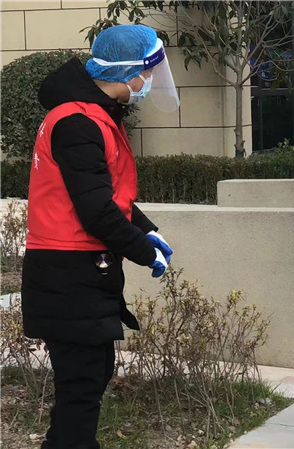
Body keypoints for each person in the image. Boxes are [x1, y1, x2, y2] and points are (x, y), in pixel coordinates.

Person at [22, 24, 179, 449]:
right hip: (68, 270)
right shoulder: (78, 122)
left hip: (75, 268)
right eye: (148, 73)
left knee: (88, 377)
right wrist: (143, 250)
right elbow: (95, 210)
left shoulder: (92, 114)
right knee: (82, 383)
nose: (150, 82)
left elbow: (105, 194)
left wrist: (146, 230)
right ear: (130, 72)